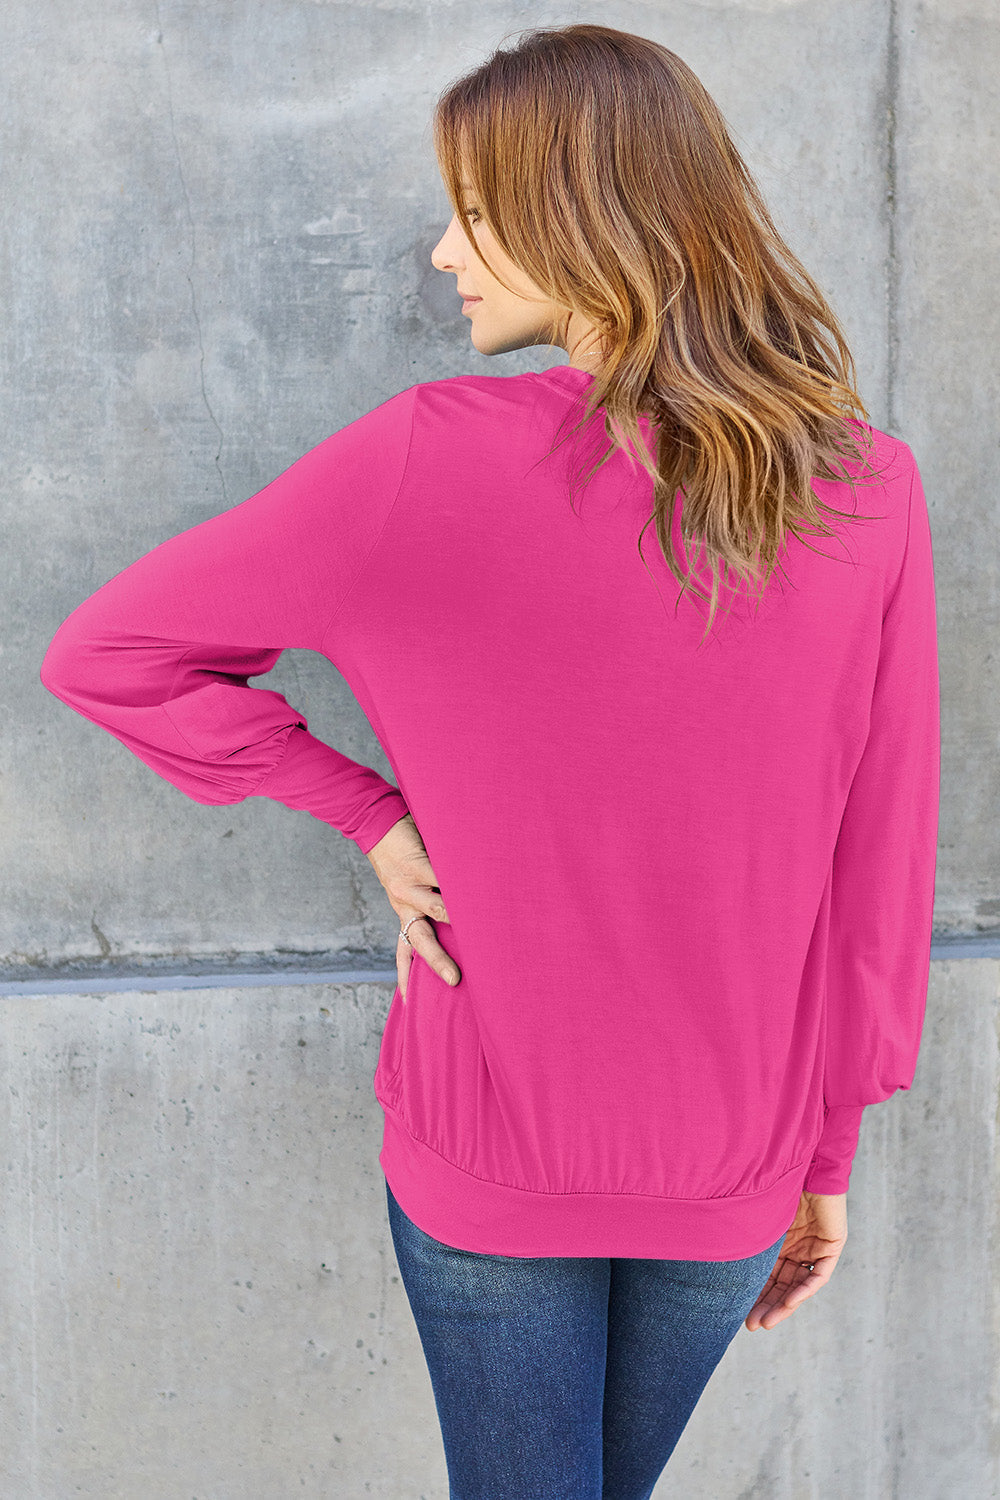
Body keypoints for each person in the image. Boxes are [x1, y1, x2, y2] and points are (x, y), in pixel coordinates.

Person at [39, 22, 940, 1500]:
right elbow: (881, 859)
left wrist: (368, 814)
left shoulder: (416, 461)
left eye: (471, 211)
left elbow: (108, 654)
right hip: (738, 1157)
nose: (442, 252)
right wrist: (824, 1152)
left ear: (575, 218)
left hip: (494, 1150)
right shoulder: (865, 487)